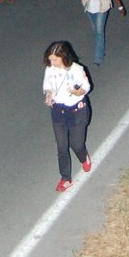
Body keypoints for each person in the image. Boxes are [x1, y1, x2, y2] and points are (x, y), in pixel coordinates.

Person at [42, 40, 92, 193]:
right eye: (50, 59)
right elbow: (47, 85)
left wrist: (79, 92)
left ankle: (84, 157)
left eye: (54, 59)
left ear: (63, 57)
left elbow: (87, 86)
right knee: (62, 146)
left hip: (77, 111)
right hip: (58, 110)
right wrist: (49, 94)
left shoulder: (76, 70)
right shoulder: (50, 69)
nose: (51, 62)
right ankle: (66, 178)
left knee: (76, 144)